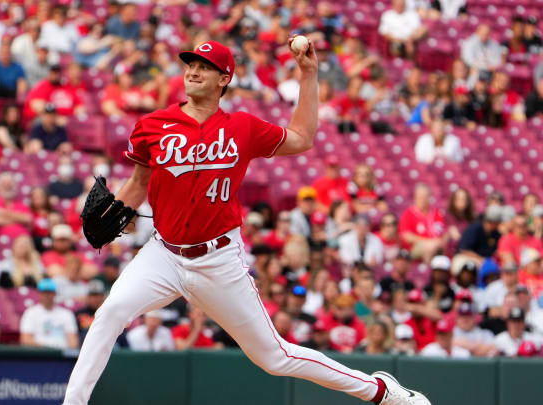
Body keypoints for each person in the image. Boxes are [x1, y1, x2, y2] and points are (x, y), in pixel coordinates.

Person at [63, 39, 429, 405]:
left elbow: (302, 138)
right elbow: (139, 182)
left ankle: (379, 391)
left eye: (204, 67)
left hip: (218, 259)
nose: (193, 71)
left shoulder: (242, 127)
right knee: (109, 313)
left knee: (275, 358)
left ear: (225, 78)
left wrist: (308, 76)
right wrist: (113, 213)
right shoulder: (153, 125)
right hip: (164, 254)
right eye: (190, 64)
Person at [20, 278, 79, 349]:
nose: (47, 296)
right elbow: (25, 339)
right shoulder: (30, 313)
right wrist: (46, 348)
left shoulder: (66, 314)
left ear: (55, 294)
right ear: (39, 293)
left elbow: (73, 342)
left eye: (50, 292)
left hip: (61, 356)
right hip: (38, 354)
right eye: (44, 292)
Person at [399, 184, 447, 263]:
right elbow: (406, 236)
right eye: (420, 197)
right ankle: (427, 271)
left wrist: (441, 241)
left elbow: (443, 231)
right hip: (415, 247)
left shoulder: (437, 213)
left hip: (437, 246)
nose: (422, 200)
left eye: (425, 197)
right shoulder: (408, 213)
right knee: (429, 247)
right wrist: (429, 242)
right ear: (415, 197)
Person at [0, 172, 33, 239]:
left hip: (23, 239)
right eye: (5, 184)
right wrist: (19, 219)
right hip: (1, 240)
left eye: (10, 184)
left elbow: (28, 219)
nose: (8, 186)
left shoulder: (22, 205)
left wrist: (1, 212)